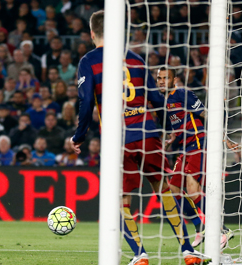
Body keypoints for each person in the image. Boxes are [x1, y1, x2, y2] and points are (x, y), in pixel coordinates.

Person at [70, 11, 210, 265]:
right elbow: (157, 99)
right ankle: (188, 251)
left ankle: (140, 254)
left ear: (92, 33)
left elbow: (87, 100)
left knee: (120, 200)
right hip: (148, 134)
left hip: (118, 139)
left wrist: (79, 135)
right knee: (165, 190)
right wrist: (166, 127)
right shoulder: (135, 59)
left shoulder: (88, 61)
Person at [157, 67, 233, 249]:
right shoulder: (165, 101)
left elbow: (207, 115)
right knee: (173, 188)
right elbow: (179, 122)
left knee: (193, 189)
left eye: (165, 78)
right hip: (184, 148)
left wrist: (225, 138)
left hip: (198, 144)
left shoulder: (183, 94)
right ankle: (200, 228)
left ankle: (222, 230)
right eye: (159, 78)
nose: (161, 81)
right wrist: (173, 138)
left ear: (174, 80)